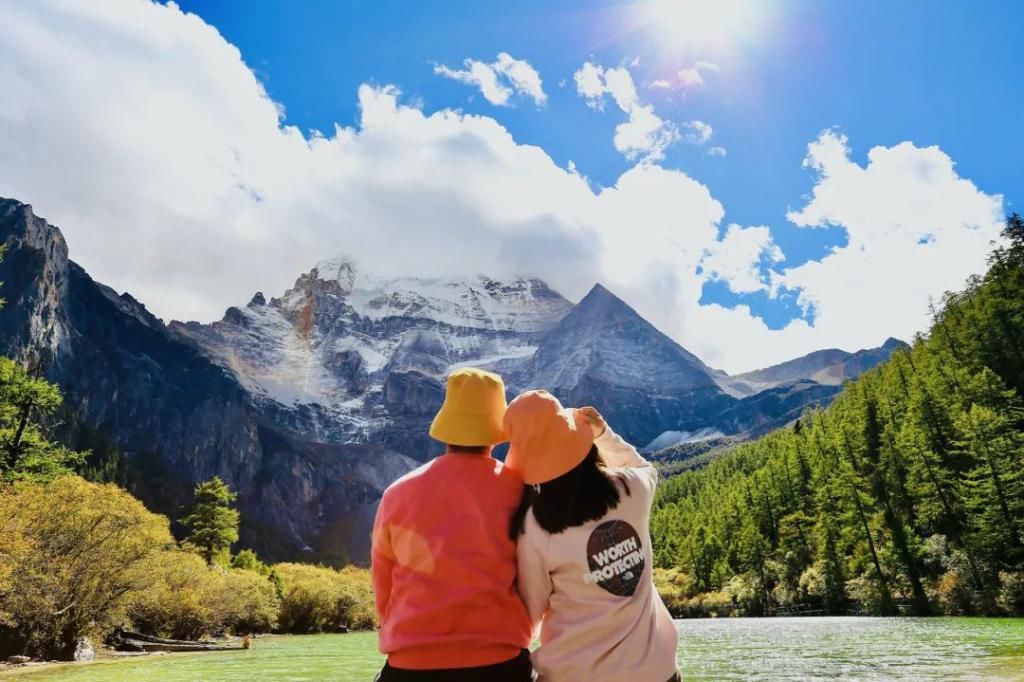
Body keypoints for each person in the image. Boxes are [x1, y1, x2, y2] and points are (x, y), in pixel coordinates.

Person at [371, 367, 534, 681]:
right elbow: (533, 576)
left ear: (446, 426)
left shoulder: (397, 493)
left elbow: (384, 585)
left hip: (410, 664)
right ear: (496, 430)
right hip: (499, 662)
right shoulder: (519, 489)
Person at [505, 390, 680, 682]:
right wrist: (603, 434)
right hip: (656, 672)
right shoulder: (630, 490)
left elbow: (530, 613)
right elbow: (643, 468)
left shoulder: (537, 527)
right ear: (579, 441)